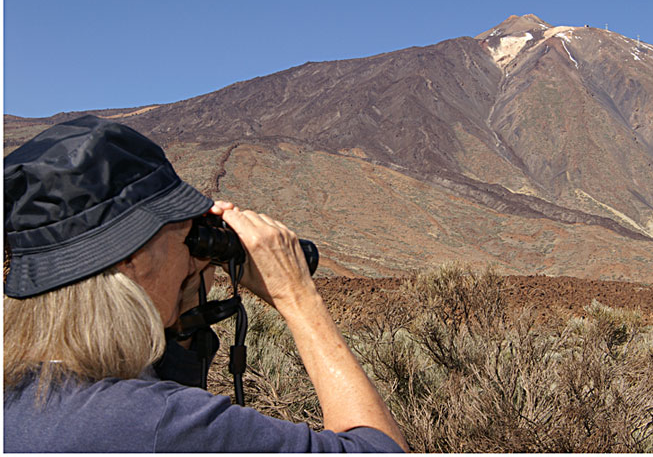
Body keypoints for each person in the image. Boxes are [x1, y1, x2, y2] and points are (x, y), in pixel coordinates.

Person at [3, 115, 408, 452]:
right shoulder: (157, 425)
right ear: (133, 258)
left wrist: (183, 310)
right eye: (184, 231)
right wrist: (297, 295)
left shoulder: (21, 394)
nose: (194, 248)